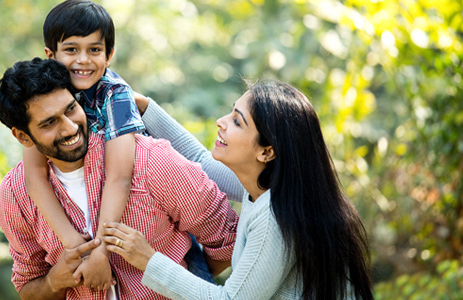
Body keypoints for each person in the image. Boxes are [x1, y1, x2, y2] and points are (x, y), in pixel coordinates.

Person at [102, 79, 374, 299]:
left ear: (267, 152)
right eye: (231, 112)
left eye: (237, 121)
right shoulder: (269, 185)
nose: (221, 121)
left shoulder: (275, 217)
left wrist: (148, 260)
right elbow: (200, 160)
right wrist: (145, 106)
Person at [0, 57, 238, 299]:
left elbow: (228, 242)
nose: (70, 128)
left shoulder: (152, 162)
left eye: (70, 109)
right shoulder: (15, 196)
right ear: (23, 137)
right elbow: (29, 289)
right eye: (49, 122)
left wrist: (171, 282)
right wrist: (54, 281)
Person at [22, 0, 145, 291]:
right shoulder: (42, 94)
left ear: (109, 54)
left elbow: (118, 177)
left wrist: (100, 250)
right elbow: (35, 177)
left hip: (144, 215)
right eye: (71, 49)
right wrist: (80, 249)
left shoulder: (115, 94)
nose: (83, 60)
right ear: (51, 55)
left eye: (94, 50)